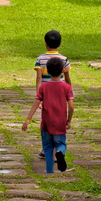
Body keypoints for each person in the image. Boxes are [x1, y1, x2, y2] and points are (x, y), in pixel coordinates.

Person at [22, 56, 75, 172]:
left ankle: (50, 171)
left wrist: (28, 119)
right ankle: (60, 152)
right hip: (60, 122)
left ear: (48, 71)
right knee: (60, 143)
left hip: (46, 123)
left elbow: (37, 102)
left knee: (47, 147)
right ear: (62, 71)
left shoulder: (44, 87)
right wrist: (69, 120)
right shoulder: (67, 87)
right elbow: (71, 106)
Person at [33, 29, 71, 159]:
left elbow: (39, 79)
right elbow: (67, 77)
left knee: (46, 122)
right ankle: (57, 150)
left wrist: (39, 97)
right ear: (60, 44)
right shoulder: (64, 59)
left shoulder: (40, 59)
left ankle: (46, 148)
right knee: (58, 121)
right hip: (61, 94)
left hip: (46, 95)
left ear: (45, 44)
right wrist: (69, 92)